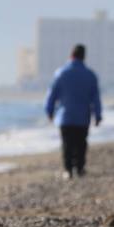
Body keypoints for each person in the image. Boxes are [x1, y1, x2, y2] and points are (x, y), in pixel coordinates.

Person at [44, 44, 102, 178]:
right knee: (81, 143)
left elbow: (52, 94)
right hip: (82, 117)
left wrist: (49, 110)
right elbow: (95, 98)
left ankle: (68, 169)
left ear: (71, 55)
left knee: (67, 144)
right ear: (84, 57)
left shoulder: (61, 73)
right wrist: (98, 115)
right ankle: (80, 168)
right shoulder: (90, 75)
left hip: (65, 116)